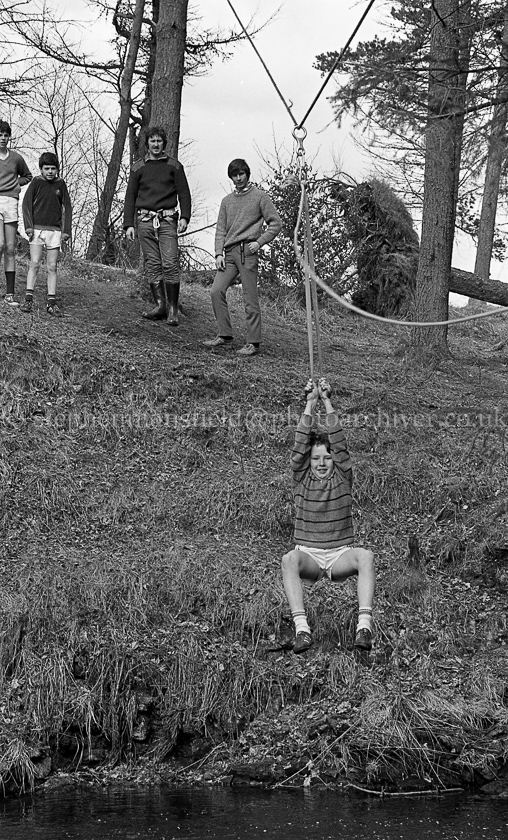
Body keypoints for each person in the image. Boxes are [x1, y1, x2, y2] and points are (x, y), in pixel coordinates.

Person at [281, 377, 375, 654]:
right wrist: (310, 405)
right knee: (289, 559)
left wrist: (327, 402)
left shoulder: (343, 477)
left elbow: (340, 444)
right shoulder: (301, 478)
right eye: (316, 459)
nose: (321, 463)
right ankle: (302, 630)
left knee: (366, 556)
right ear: (309, 462)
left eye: (327, 458)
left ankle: (364, 627)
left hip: (338, 555)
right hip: (309, 555)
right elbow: (299, 447)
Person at [202, 158, 282, 357]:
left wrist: (260, 242)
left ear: (247, 174)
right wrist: (218, 253)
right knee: (216, 290)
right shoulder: (227, 201)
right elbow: (220, 229)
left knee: (249, 296)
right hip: (228, 253)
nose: (238, 178)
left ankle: (253, 342)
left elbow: (276, 223)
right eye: (234, 175)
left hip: (248, 251)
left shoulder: (260, 197)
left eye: (241, 174)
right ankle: (224, 335)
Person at [123, 126, 191, 327]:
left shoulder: (174, 166)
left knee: (170, 262)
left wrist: (185, 218)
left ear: (164, 143)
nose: (155, 144)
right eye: (152, 141)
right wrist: (128, 224)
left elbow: (184, 194)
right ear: (147, 144)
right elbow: (130, 196)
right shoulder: (138, 167)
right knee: (152, 264)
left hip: (167, 220)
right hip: (144, 221)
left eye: (159, 141)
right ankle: (160, 305)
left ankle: (172, 309)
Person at [20, 152, 72, 317]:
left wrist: (66, 231)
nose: (50, 171)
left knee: (52, 266)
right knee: (34, 263)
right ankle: (28, 298)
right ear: (41, 169)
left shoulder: (61, 184)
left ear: (57, 169)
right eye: (46, 168)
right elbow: (26, 203)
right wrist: (29, 227)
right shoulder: (36, 182)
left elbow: (68, 208)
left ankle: (51, 302)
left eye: (53, 168)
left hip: (54, 231)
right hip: (37, 230)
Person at [0, 120, 32, 307]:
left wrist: (14, 184)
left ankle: (10, 294)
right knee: (0, 244)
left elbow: (27, 176)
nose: (3, 139)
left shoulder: (16, 158)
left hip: (11, 202)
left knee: (10, 248)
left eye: (6, 135)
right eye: (0, 135)